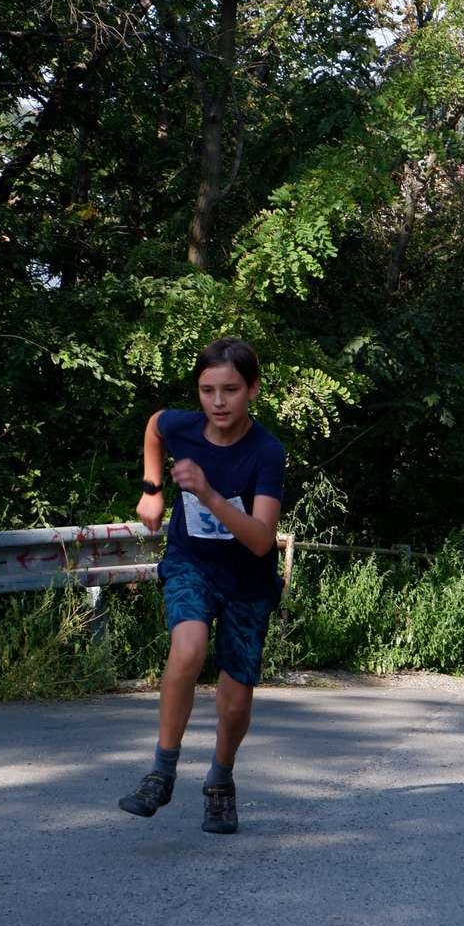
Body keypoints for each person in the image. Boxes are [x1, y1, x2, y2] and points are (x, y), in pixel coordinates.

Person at [118, 337, 286, 834]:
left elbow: (262, 540)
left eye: (230, 390)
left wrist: (210, 494)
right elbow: (154, 426)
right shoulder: (184, 428)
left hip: (248, 581)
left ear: (252, 389)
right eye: (207, 390)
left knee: (234, 700)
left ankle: (220, 780)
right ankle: (161, 773)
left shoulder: (267, 453)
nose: (218, 402)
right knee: (188, 648)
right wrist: (152, 489)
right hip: (191, 563)